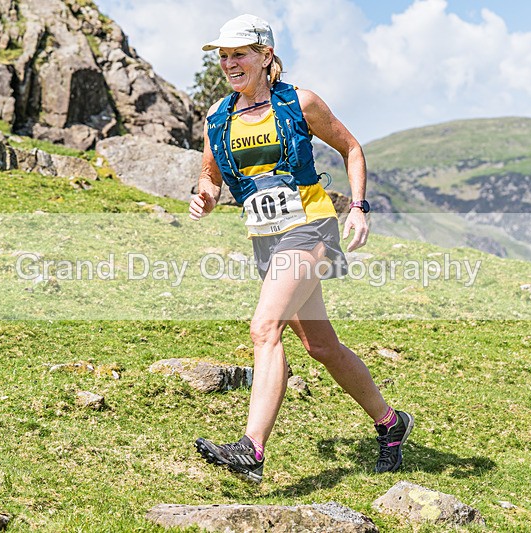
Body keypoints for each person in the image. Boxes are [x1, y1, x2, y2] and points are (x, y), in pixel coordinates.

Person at [189, 14, 413, 484]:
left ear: (266, 56)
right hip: (265, 240)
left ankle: (252, 449)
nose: (230, 64)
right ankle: (391, 424)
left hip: (311, 229)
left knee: (264, 327)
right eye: (224, 56)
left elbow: (351, 147)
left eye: (239, 54)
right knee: (322, 347)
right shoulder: (217, 117)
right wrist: (205, 196)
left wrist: (359, 206)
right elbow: (210, 177)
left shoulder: (300, 102)